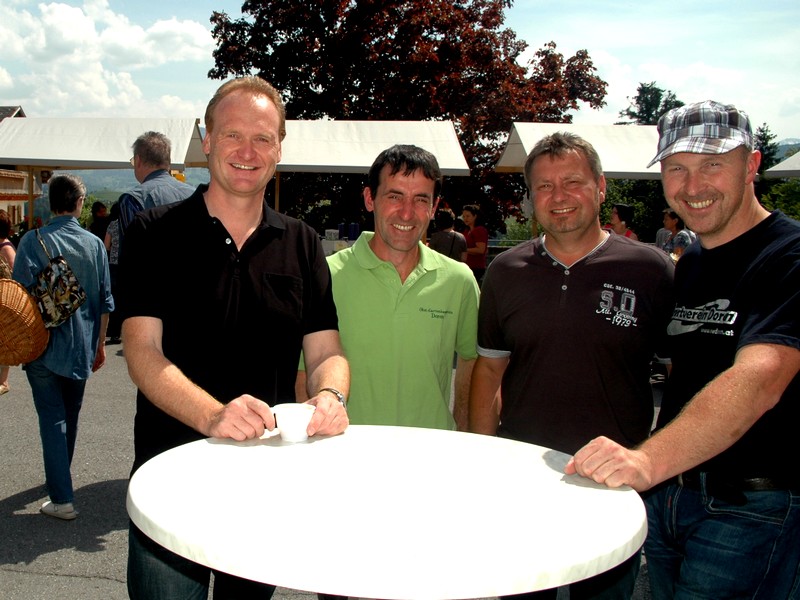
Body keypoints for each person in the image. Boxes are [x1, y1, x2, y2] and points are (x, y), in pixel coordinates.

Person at [119, 76, 350, 600]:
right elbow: (141, 351)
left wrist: (331, 395)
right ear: (207, 140)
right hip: (171, 478)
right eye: (233, 135)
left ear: (279, 149)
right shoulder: (153, 233)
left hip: (265, 485)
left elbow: (326, 351)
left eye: (263, 138)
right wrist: (212, 415)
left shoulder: (302, 242)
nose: (248, 152)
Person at [566, 101, 800, 599]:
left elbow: (761, 377)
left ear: (752, 165)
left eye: (712, 164)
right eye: (677, 168)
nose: (693, 186)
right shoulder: (692, 260)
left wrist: (646, 461)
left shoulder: (789, 256)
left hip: (752, 506)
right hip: (674, 495)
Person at [469, 131, 674, 599]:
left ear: (601, 187)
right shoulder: (505, 272)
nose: (558, 196)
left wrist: (660, 459)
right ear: (531, 197)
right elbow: (489, 370)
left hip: (613, 481)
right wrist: (483, 456)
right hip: (521, 476)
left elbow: (678, 372)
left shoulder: (652, 270)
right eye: (544, 186)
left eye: (573, 182)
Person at [297, 145, 479, 431]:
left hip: (433, 451)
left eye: (421, 199)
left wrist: (465, 438)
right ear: (370, 198)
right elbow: (303, 376)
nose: (406, 213)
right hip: (345, 449)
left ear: (434, 207)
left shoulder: (459, 280)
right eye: (394, 196)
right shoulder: (326, 276)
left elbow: (471, 366)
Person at [12, 174, 113, 520]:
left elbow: (18, 297)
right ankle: (60, 479)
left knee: (52, 417)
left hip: (42, 345)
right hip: (82, 345)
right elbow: (105, 301)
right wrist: (100, 345)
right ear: (80, 203)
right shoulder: (94, 245)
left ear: (51, 202)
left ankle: (62, 496)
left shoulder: (32, 240)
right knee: (70, 415)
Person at [117, 130, 195, 242]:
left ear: (138, 160)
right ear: (168, 162)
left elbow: (131, 249)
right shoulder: (195, 194)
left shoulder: (133, 199)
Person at [1, 209, 17, 395]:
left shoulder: (5, 248)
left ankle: (3, 381)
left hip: (4, 299)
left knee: (3, 340)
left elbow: (14, 273)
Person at [103, 202, 122, 344]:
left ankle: (113, 332)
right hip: (128, 265)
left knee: (113, 297)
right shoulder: (132, 222)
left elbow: (106, 245)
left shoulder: (112, 225)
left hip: (114, 265)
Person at [461, 203, 489, 284]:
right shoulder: (467, 231)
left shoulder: (479, 230)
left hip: (476, 267)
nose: (465, 219)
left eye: (468, 216)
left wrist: (464, 250)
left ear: (475, 216)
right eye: (464, 216)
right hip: (467, 265)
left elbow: (481, 250)